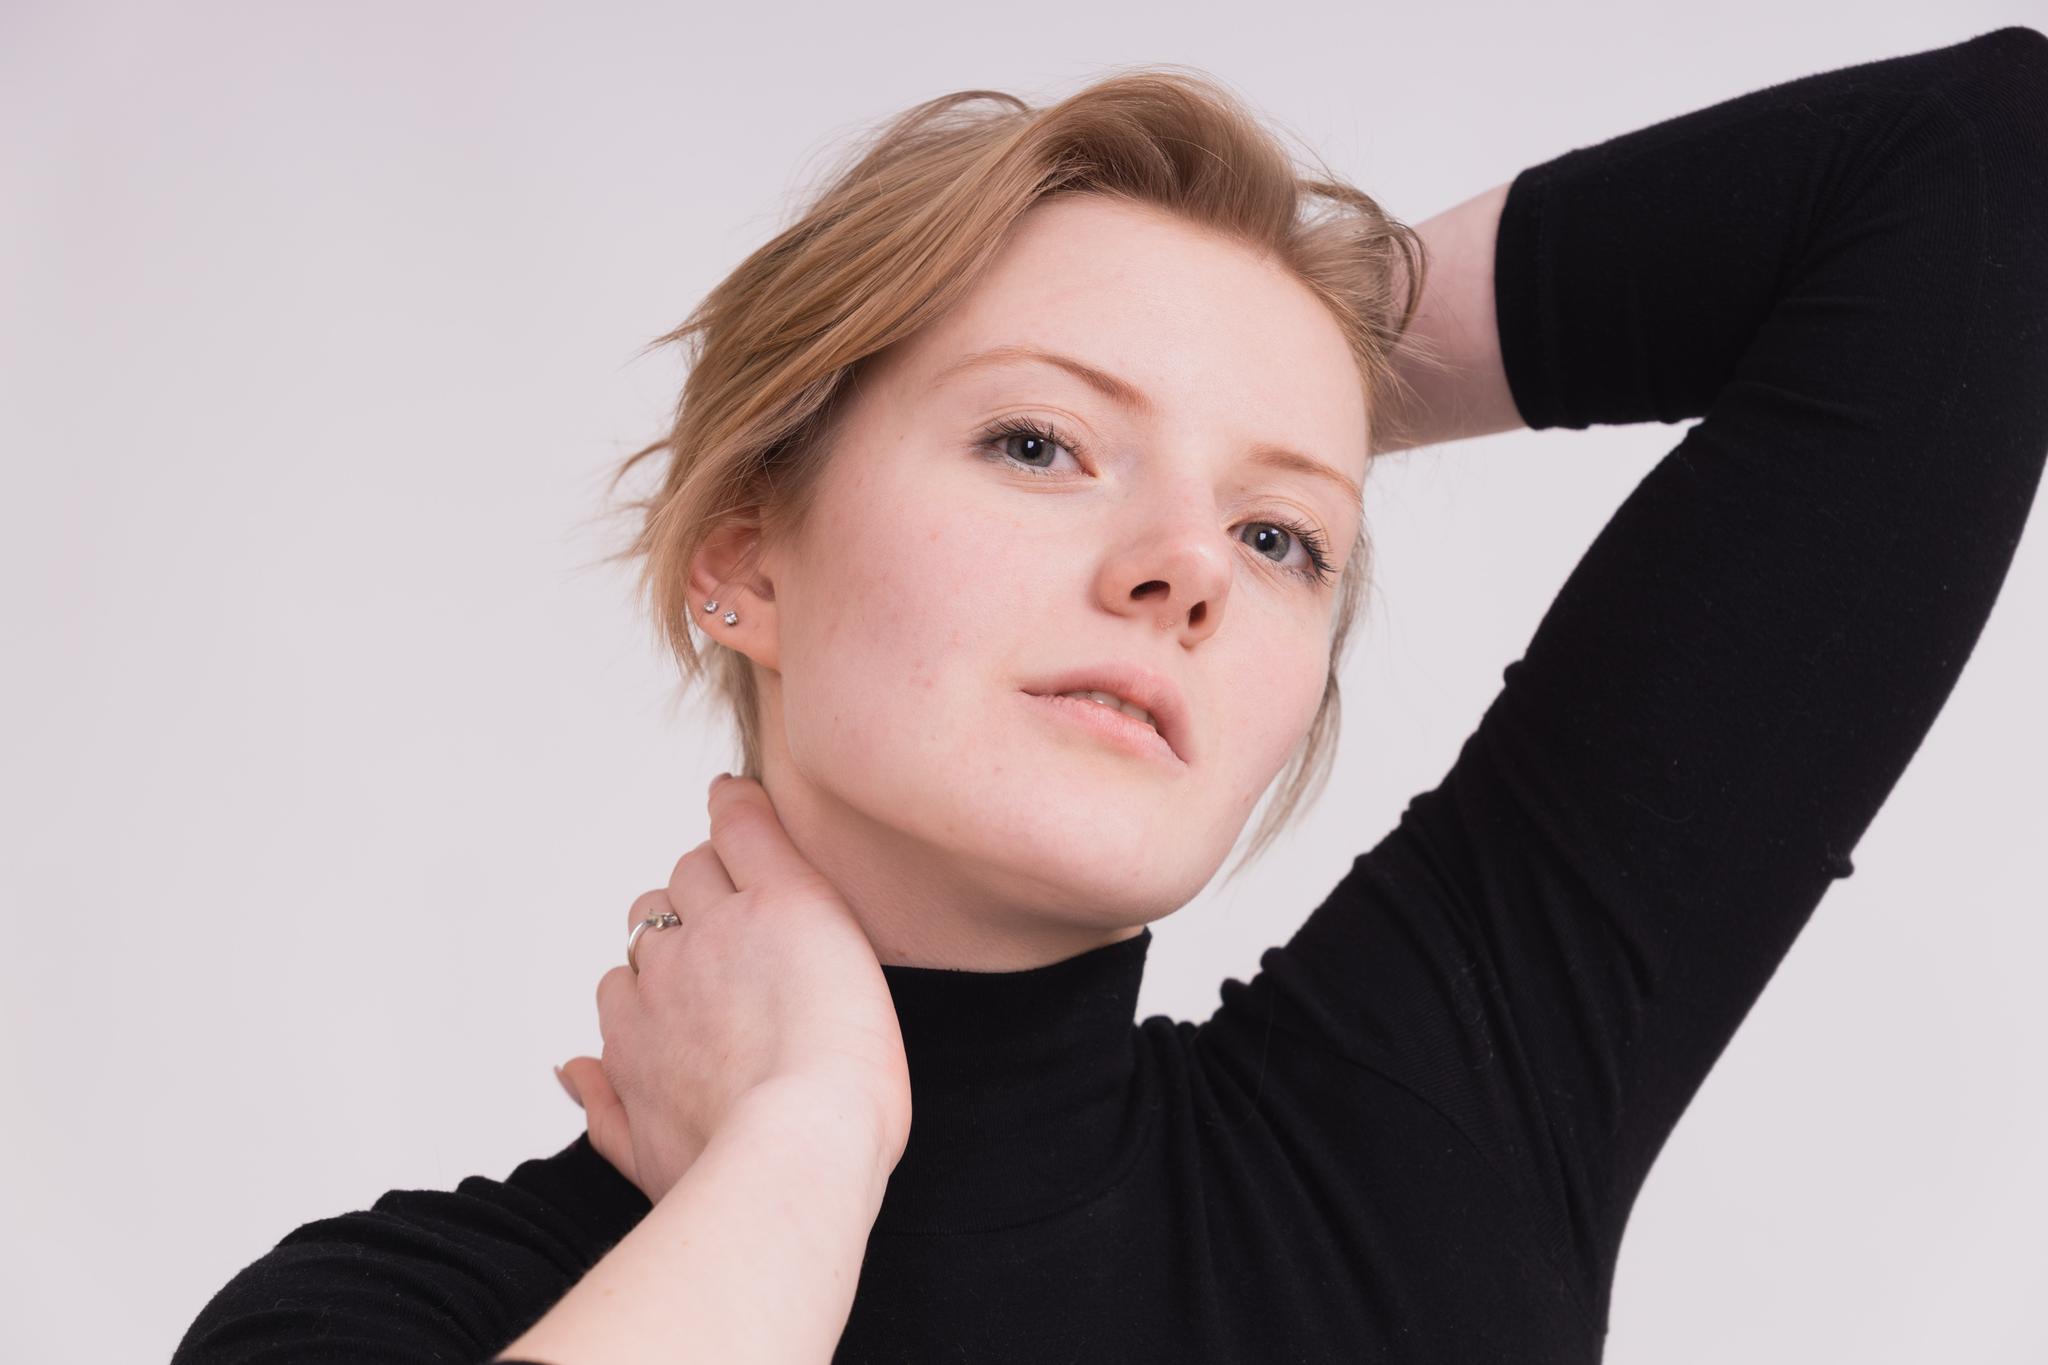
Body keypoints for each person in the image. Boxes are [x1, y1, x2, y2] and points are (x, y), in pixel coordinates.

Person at [172, 25, 2048, 1364]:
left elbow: (1984, 173)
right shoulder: (397, 1315)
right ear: (744, 552)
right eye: (1040, 441)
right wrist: (805, 1147)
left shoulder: (1417, 1152)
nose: (1184, 567)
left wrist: (1302, 347)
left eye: (1280, 534)